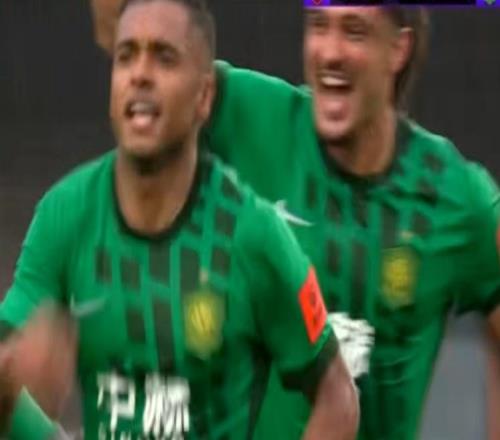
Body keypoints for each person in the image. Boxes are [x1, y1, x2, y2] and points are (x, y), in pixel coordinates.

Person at [88, 3, 500, 440]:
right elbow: (126, 28)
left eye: (355, 31)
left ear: (398, 49)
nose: (330, 52)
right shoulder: (255, 118)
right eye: (318, 26)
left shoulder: (452, 194)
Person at [0, 1, 360, 439]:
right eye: (126, 57)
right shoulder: (66, 214)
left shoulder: (254, 235)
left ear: (204, 97)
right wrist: (11, 376)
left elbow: (338, 395)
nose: (140, 74)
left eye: (164, 58)